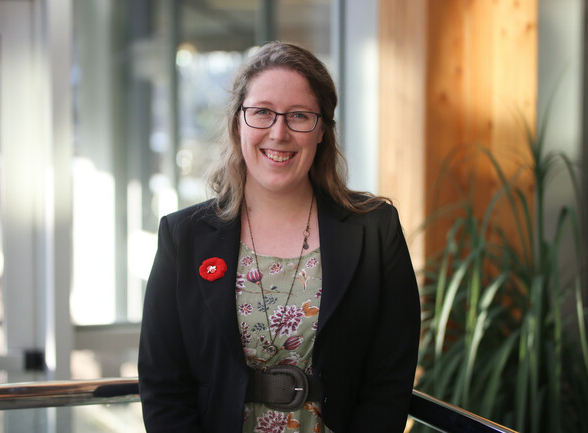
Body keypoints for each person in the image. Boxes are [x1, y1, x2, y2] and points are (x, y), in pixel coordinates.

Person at [138, 41, 421, 433]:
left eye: (299, 116)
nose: (279, 132)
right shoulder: (182, 236)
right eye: (262, 113)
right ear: (238, 123)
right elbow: (163, 383)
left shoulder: (376, 230)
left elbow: (390, 379)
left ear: (322, 130)